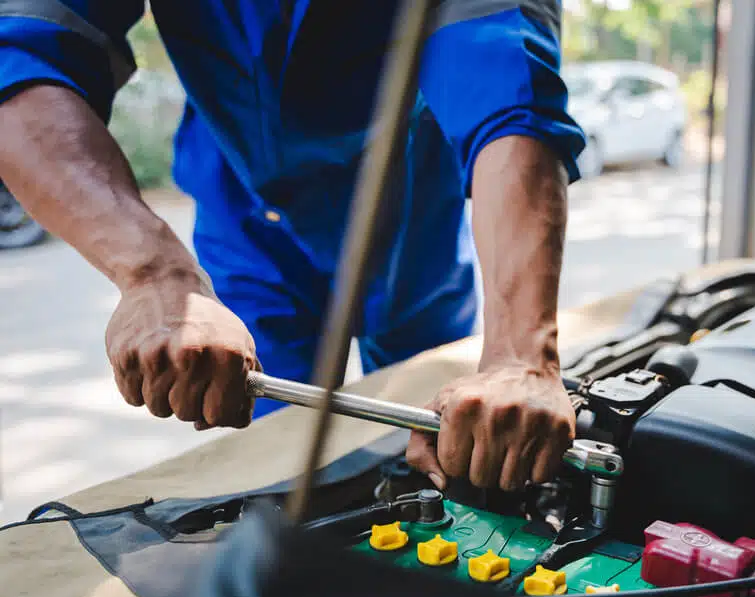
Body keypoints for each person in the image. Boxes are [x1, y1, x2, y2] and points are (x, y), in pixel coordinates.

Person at [0, 2, 586, 492]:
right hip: (244, 220)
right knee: (270, 462)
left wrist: (519, 355)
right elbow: (22, 58)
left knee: (451, 450)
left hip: (410, 215)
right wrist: (154, 273)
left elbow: (509, 86)